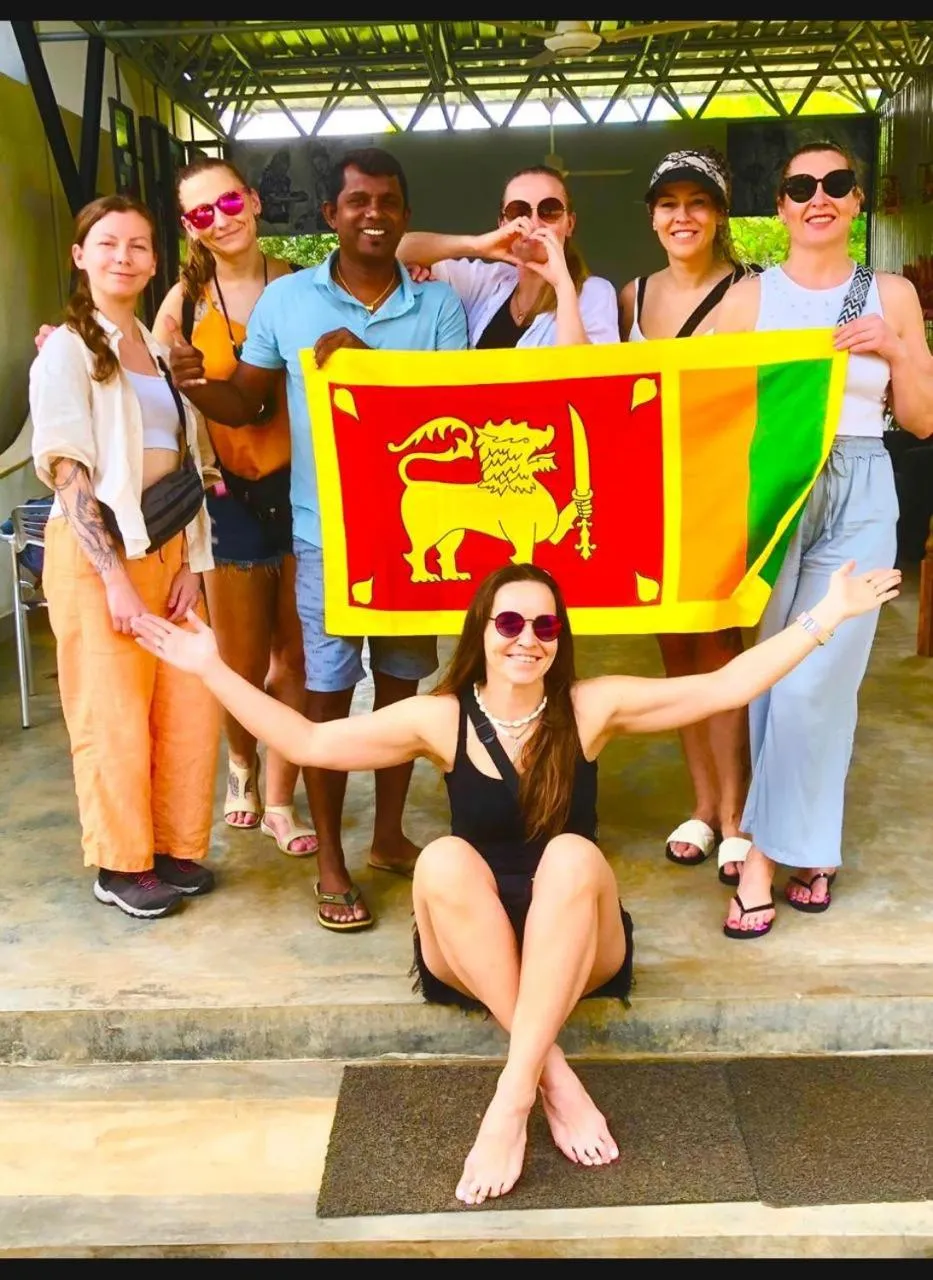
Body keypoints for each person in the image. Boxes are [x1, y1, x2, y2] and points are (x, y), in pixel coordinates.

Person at [131, 556, 899, 1203]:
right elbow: (307, 740)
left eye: (542, 625)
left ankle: (509, 1102)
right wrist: (208, 667)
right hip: (473, 945)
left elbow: (724, 687)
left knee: (570, 854)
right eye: (508, 623)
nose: (525, 639)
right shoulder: (440, 719)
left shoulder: (589, 709)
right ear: (482, 633)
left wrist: (826, 613)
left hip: (576, 936)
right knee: (439, 858)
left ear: (558, 640)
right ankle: (552, 1080)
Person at [165, 146, 469, 932]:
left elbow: (457, 416)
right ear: (330, 214)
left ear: (403, 215)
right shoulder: (289, 301)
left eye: (388, 202)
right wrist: (200, 383)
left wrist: (370, 370)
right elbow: (249, 403)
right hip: (326, 536)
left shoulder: (436, 309)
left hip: (416, 539)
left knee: (402, 687)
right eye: (357, 201)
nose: (374, 213)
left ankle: (390, 834)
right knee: (328, 699)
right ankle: (331, 856)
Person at [713, 138, 933, 937]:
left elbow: (921, 416)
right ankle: (814, 845)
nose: (818, 196)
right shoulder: (747, 298)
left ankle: (762, 858)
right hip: (776, 494)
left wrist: (894, 347)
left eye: (836, 183)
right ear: (778, 206)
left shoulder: (889, 294)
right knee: (776, 673)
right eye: (800, 185)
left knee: (819, 677)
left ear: (856, 202)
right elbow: (691, 399)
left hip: (863, 483)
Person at [28, 194, 222, 920]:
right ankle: (121, 863)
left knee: (185, 708)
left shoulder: (152, 348)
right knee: (111, 714)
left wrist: (191, 571)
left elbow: (186, 465)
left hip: (167, 550)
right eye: (107, 244)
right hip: (97, 555)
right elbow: (68, 468)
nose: (123, 257)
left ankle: (171, 846)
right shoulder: (69, 351)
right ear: (81, 256)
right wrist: (112, 577)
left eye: (138, 245)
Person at [153, 156, 318, 859]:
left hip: (307, 490)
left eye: (228, 202)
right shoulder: (182, 302)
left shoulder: (302, 282)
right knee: (242, 660)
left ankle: (281, 796)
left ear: (251, 199)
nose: (220, 219)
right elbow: (139, 368)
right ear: (188, 228)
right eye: (200, 214)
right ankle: (243, 767)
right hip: (228, 496)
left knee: (301, 658)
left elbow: (396, 252)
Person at [619, 146, 761, 887]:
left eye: (696, 202)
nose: (683, 216)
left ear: (718, 214)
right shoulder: (628, 296)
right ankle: (701, 807)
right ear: (651, 217)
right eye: (669, 203)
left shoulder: (755, 294)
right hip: (650, 498)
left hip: (719, 495)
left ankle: (737, 816)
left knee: (722, 655)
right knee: (676, 658)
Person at [396, 164, 619, 347]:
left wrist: (563, 287)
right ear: (502, 223)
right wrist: (477, 245)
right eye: (518, 212)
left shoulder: (595, 292)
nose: (533, 223)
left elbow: (586, 380)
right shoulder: (491, 280)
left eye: (549, 210)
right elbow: (397, 251)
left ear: (569, 224)